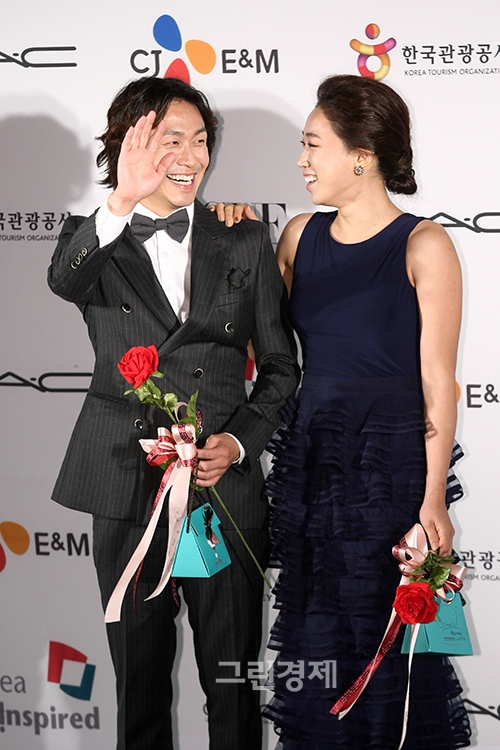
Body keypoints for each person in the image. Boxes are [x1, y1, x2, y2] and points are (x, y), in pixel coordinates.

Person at [212, 74, 471, 749]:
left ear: (362, 155)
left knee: (384, 635)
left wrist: (432, 501)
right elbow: (257, 346)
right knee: (316, 630)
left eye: (312, 145)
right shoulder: (299, 235)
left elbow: (438, 381)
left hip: (389, 466)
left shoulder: (424, 244)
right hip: (314, 459)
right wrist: (235, 242)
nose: (301, 161)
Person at [47, 75, 299, 750]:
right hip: (126, 487)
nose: (191, 156)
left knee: (234, 689)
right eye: (171, 140)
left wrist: (238, 443)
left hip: (223, 491)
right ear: (128, 145)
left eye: (201, 140)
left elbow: (280, 366)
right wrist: (122, 199)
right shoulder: (92, 240)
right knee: (139, 687)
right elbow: (64, 280)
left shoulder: (243, 238)